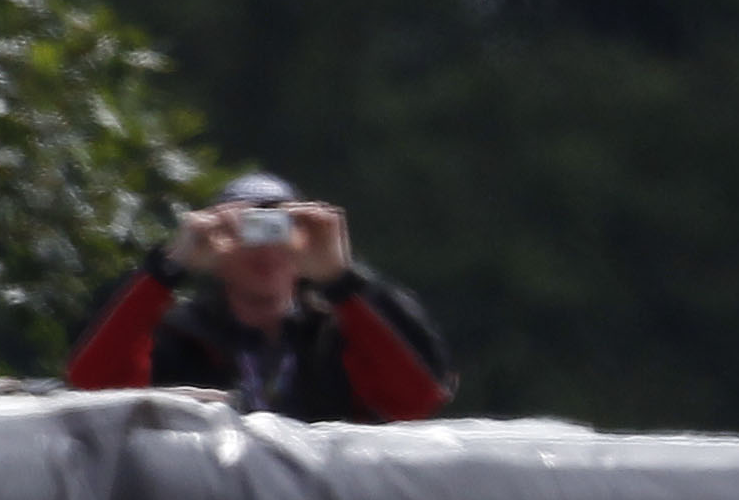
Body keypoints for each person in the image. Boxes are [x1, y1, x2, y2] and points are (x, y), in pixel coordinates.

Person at [64, 173, 454, 422]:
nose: (265, 250)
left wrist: (342, 281)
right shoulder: (179, 338)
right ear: (216, 247)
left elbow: (417, 399)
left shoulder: (339, 336)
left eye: (279, 228)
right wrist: (169, 267)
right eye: (246, 230)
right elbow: (93, 386)